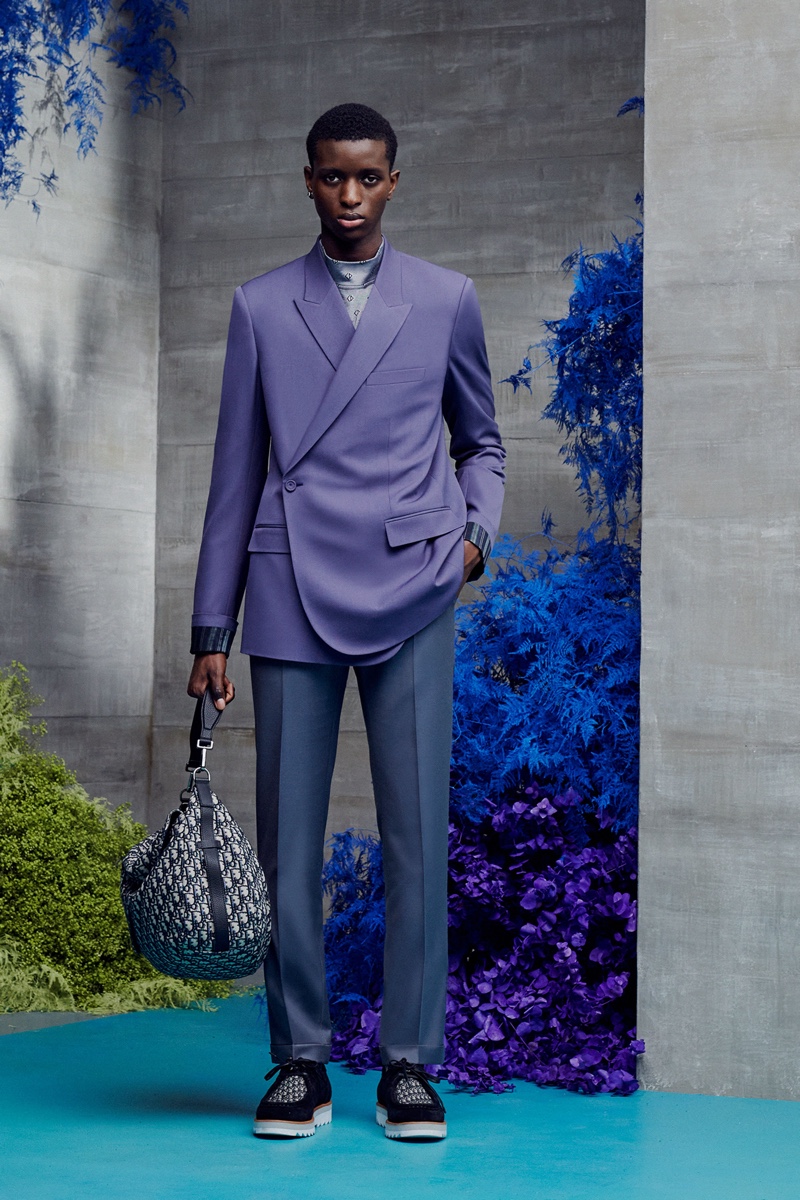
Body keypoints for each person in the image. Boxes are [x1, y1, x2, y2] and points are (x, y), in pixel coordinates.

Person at [187, 103, 505, 1141]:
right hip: (289, 584)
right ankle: (300, 1063)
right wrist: (210, 632)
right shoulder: (260, 307)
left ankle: (409, 1065)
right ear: (308, 180)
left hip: (414, 580)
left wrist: (472, 538)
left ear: (394, 181)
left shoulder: (445, 298)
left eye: (368, 177)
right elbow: (234, 479)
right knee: (290, 843)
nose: (351, 195)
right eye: (333, 176)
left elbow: (481, 443)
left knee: (415, 839)